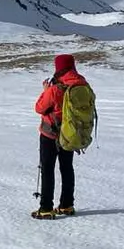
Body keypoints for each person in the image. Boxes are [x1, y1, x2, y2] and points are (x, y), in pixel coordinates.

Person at [33, 54, 90, 218]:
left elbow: (40, 108)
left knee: (48, 169)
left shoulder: (56, 88)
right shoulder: (81, 84)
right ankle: (66, 205)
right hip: (71, 134)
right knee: (66, 168)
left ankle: (45, 208)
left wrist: (45, 92)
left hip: (50, 134)